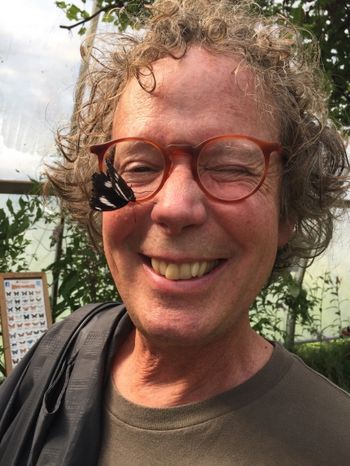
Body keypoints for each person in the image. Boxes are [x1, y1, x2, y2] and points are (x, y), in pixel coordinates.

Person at [1, 0, 349, 465]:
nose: (175, 207)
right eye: (140, 166)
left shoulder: (333, 443)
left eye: (229, 165)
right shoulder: (54, 361)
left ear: (287, 209)